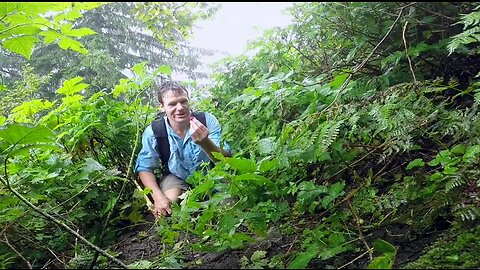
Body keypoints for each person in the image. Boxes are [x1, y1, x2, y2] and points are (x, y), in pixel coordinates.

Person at [135, 81, 232, 219]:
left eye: (183, 101)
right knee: (168, 207)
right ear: (162, 107)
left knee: (229, 207)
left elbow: (225, 160)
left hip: (211, 174)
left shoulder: (206, 120)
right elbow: (145, 168)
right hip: (176, 176)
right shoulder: (155, 131)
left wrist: (205, 143)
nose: (180, 108)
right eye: (172, 104)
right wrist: (157, 196)